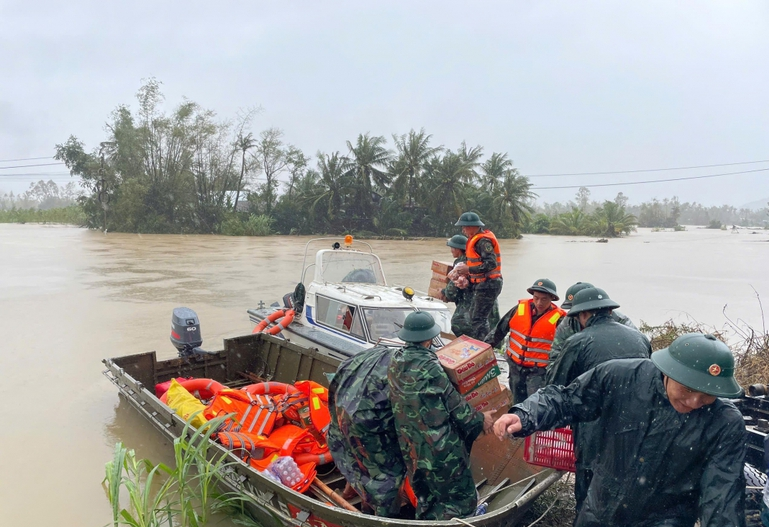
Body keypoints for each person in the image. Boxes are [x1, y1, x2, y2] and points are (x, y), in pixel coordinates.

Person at [494, 333, 746, 527]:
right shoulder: (622, 377)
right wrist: (525, 415)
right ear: (668, 372)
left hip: (666, 519)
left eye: (707, 395)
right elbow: (567, 399)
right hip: (600, 508)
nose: (694, 402)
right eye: (687, 389)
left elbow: (722, 495)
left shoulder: (725, 423)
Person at [543, 286, 652, 511]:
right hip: (635, 426)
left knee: (589, 486)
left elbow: (555, 384)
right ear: (609, 311)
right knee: (625, 485)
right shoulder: (640, 338)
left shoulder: (578, 341)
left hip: (593, 427)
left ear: (583, 315)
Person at [388, 311, 494, 520]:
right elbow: (457, 408)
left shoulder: (395, 362)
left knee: (425, 497)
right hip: (440, 449)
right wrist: (482, 420)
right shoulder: (431, 368)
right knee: (461, 498)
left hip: (411, 447)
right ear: (428, 339)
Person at [327, 345, 404, 516]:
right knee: (387, 479)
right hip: (366, 430)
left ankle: (354, 498)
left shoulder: (366, 358)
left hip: (342, 427)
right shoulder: (404, 372)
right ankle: (383, 518)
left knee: (357, 465)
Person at [485, 278, 566, 404]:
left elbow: (565, 349)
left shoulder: (559, 320)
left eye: (544, 299)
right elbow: (499, 331)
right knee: (517, 402)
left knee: (534, 404)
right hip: (515, 368)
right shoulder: (519, 309)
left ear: (552, 299)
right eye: (536, 298)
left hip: (538, 373)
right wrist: (483, 349)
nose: (539, 302)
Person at [548, 281, 640, 366]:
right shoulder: (568, 324)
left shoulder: (621, 320)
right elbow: (555, 357)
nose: (575, 315)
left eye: (579, 310)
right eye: (572, 310)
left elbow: (638, 348)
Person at [454, 212, 502, 340]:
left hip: (489, 283)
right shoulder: (475, 240)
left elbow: (491, 263)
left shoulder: (483, 241)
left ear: (472, 226)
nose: (463, 230)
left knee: (478, 319)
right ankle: (483, 344)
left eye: (464, 227)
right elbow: (478, 264)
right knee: (476, 318)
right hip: (483, 283)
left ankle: (483, 345)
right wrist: (466, 277)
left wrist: (468, 269)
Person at [441, 234, 499, 337]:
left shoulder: (460, 265)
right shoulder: (479, 261)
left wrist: (443, 293)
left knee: (459, 327)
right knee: (491, 336)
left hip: (471, 312)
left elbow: (451, 293)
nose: (451, 251)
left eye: (452, 248)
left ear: (458, 249)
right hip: (490, 310)